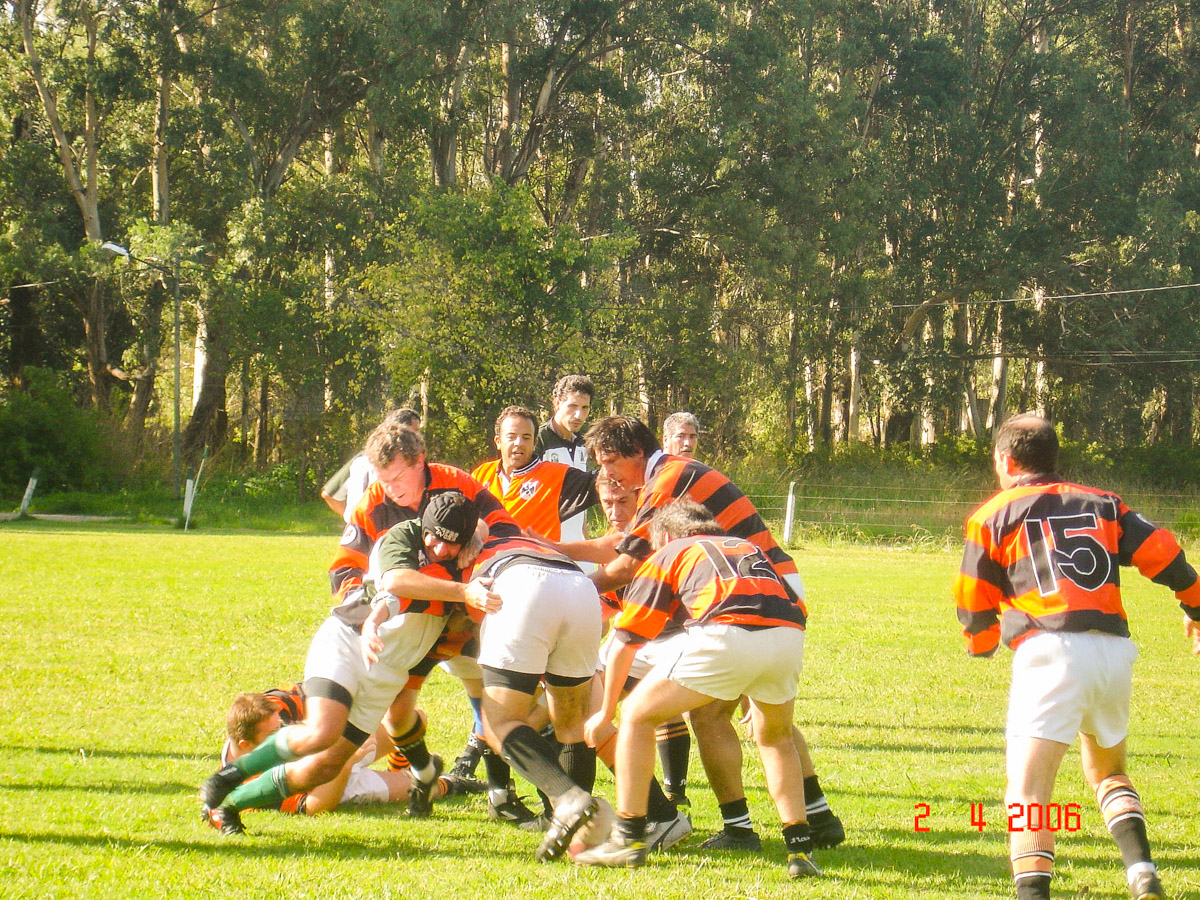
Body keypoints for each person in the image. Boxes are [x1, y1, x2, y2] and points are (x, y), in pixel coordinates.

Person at [955, 413, 1200, 900]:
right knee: (1108, 771)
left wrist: (981, 645)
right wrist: (1194, 604)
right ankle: (1142, 872)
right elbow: (1164, 553)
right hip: (1113, 650)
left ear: (1005, 460)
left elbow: (973, 606)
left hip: (1049, 650)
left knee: (1026, 794)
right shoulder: (1104, 503)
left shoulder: (992, 514)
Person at [574, 415, 844, 852]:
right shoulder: (672, 479)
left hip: (744, 595)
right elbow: (620, 548)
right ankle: (815, 818)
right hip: (771, 590)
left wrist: (563, 589)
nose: (609, 478)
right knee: (767, 719)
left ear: (637, 453)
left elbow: (626, 562)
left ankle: (653, 830)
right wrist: (550, 549)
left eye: (610, 464)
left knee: (707, 713)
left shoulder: (669, 479)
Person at [199, 493, 496, 835]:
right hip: (348, 640)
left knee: (327, 766)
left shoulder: (465, 553)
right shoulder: (401, 536)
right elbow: (397, 583)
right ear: (423, 524)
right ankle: (228, 777)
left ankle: (230, 805)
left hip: (388, 672)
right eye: (434, 537)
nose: (440, 549)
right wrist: (463, 592)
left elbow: (486, 529)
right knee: (322, 732)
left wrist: (476, 539)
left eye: (452, 543)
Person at [577, 501, 822, 878]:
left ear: (668, 537)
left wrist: (605, 712)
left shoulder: (672, 551)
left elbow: (626, 641)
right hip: (788, 634)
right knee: (776, 739)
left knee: (637, 717)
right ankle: (800, 851)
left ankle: (628, 838)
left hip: (727, 632)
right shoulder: (747, 547)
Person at [471, 529, 605, 861]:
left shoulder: (472, 549)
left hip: (523, 585)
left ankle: (568, 799)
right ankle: (577, 836)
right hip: (580, 585)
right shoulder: (510, 530)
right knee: (572, 723)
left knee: (499, 721)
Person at [221, 687, 468, 816]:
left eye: (281, 726)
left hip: (336, 744)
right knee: (428, 789)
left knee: (411, 722)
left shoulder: (274, 705)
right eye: (273, 734)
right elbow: (315, 805)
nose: (284, 734)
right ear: (245, 745)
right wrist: (346, 760)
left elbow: (319, 691)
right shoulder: (252, 786)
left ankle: (401, 767)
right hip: (331, 782)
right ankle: (452, 783)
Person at [472, 405, 598, 542]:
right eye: (511, 437)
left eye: (526, 438)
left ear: (535, 442)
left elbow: (602, 480)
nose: (519, 443)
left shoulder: (556, 476)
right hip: (489, 561)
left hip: (535, 561)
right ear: (498, 441)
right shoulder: (481, 475)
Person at [321, 408, 422, 521]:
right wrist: (357, 520)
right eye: (415, 432)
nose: (419, 437)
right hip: (378, 530)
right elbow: (329, 493)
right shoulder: (365, 460)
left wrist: (353, 520)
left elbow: (329, 494)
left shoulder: (361, 458)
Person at [535, 375, 595, 549]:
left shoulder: (584, 444)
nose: (579, 415)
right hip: (546, 545)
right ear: (557, 403)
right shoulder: (538, 441)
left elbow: (581, 499)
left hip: (578, 545)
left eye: (585, 408)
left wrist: (586, 538)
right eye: (573, 406)